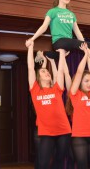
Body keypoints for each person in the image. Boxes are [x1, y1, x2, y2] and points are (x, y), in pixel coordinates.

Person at [25, 0, 90, 63]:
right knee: (70, 44)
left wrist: (85, 47)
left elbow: (77, 32)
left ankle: (42, 54)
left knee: (56, 55)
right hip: (58, 41)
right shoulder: (52, 11)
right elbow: (44, 27)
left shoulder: (71, 14)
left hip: (68, 44)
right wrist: (32, 39)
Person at [26, 40, 71, 169]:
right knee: (43, 163)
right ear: (38, 77)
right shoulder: (35, 90)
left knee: (59, 162)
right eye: (43, 72)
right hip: (46, 132)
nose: (46, 73)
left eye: (47, 72)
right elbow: (30, 67)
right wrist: (31, 47)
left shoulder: (56, 88)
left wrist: (61, 54)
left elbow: (61, 70)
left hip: (63, 131)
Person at [66, 43, 90, 169]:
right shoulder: (75, 94)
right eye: (86, 81)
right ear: (79, 81)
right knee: (82, 166)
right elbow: (79, 71)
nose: (89, 83)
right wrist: (85, 54)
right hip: (79, 137)